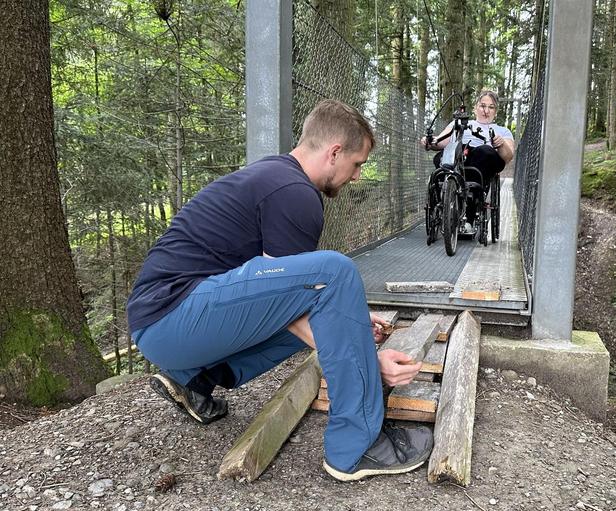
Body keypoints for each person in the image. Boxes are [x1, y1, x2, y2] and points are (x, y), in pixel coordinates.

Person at [126, 99, 433, 482]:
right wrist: (368, 361)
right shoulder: (295, 193)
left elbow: (288, 303)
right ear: (334, 152)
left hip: (166, 327)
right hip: (174, 319)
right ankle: (357, 446)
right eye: (357, 164)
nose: (356, 176)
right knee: (335, 271)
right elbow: (306, 297)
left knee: (327, 312)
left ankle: (194, 380)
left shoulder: (275, 175)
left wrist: (350, 324)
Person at [421, 90, 515, 233]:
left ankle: (469, 216)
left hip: (482, 161)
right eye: (483, 106)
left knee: (485, 151)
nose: (486, 111)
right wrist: (429, 141)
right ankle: (442, 204)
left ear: (495, 111)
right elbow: (441, 141)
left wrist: (500, 144)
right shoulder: (459, 123)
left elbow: (508, 156)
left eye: (491, 107)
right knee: (443, 156)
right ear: (475, 107)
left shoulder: (502, 131)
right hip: (459, 157)